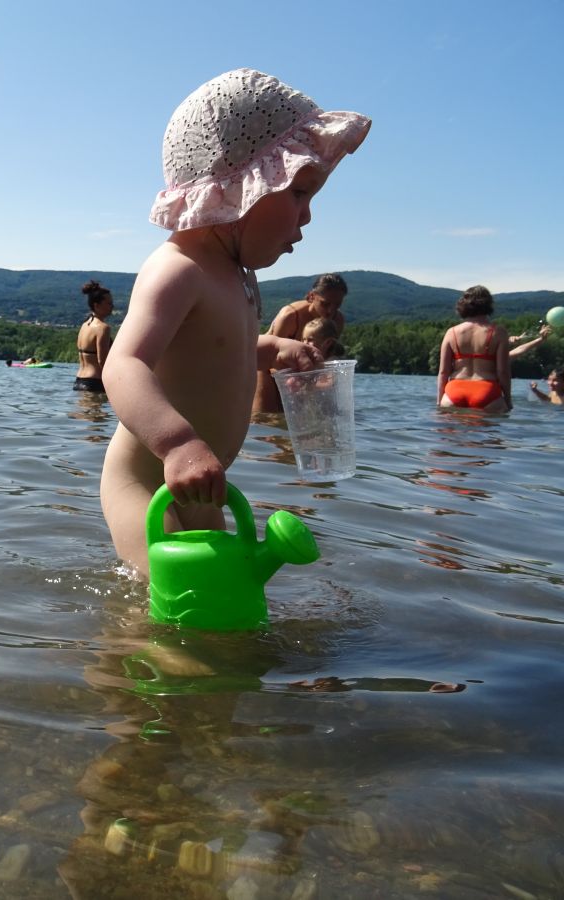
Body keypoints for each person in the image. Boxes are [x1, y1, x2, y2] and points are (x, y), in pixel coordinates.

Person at [100, 68, 370, 576]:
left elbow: (220, 350)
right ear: (240, 185)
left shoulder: (239, 277)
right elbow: (125, 364)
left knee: (218, 616)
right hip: (148, 481)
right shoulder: (177, 269)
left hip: (200, 482)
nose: (307, 216)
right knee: (170, 613)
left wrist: (273, 350)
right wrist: (177, 444)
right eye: (298, 193)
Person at [252, 272, 349, 413]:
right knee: (267, 416)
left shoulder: (337, 321)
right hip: (267, 367)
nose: (330, 311)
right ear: (311, 296)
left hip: (301, 372)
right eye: (325, 304)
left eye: (337, 305)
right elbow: (272, 357)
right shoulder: (290, 316)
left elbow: (327, 356)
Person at [436, 286, 511, 413]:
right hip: (486, 390)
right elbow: (502, 372)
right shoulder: (498, 332)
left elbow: (443, 372)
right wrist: (508, 401)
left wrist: (439, 401)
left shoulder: (451, 332)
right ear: (488, 305)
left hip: (454, 391)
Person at [75, 280, 115, 392]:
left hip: (79, 381)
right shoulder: (103, 328)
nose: (112, 306)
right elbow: (102, 361)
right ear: (96, 305)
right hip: (94, 383)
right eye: (109, 303)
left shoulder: (84, 326)